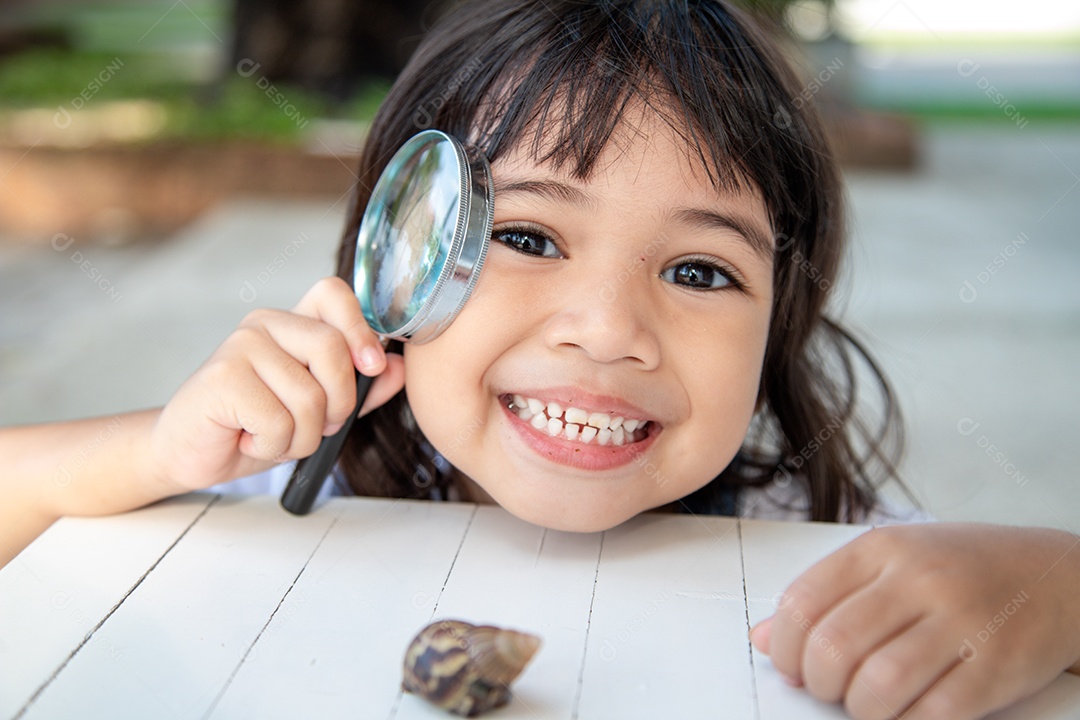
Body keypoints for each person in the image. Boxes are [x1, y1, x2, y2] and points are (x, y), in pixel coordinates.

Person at [1, 1, 1077, 718]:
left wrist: (1054, 585)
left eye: (700, 272)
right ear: (400, 270)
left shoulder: (821, 537)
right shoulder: (281, 478)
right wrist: (155, 448)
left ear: (778, 326)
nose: (606, 329)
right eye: (525, 238)